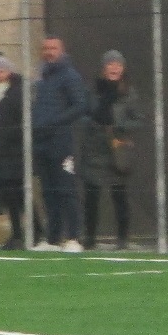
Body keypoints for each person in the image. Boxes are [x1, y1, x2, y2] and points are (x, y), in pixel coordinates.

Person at [30, 34, 91, 251]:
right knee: (48, 191)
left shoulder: (69, 76)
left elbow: (80, 105)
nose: (49, 52)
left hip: (61, 141)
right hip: (41, 142)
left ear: (62, 51)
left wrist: (55, 121)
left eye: (53, 48)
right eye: (46, 48)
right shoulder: (42, 78)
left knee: (66, 189)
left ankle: (74, 237)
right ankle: (53, 239)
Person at [78, 48, 142, 250]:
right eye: (110, 64)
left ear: (123, 68)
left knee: (119, 195)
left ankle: (122, 239)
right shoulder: (92, 90)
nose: (114, 68)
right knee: (92, 196)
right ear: (103, 68)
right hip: (95, 148)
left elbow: (138, 120)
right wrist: (91, 123)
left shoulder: (129, 93)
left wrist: (121, 126)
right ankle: (90, 238)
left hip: (117, 150)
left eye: (118, 64)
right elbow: (83, 114)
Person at [0, 52, 34, 251]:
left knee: (19, 194)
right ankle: (18, 233)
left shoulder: (16, 92)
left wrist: (7, 136)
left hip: (15, 152)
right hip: (2, 152)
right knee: (9, 195)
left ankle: (31, 231)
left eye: (2, 71)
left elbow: (20, 121)